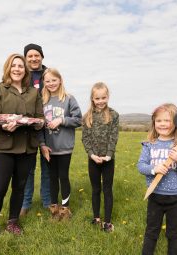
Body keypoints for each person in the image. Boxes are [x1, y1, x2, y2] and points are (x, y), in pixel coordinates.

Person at [0, 53, 44, 239]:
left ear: (25, 70)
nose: (17, 69)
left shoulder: (33, 92)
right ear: (8, 68)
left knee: (20, 188)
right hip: (2, 149)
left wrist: (38, 122)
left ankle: (13, 222)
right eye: (14, 65)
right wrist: (3, 125)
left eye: (21, 66)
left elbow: (40, 118)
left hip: (27, 149)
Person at [137, 103, 177, 255]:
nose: (162, 124)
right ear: (154, 123)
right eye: (159, 120)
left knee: (174, 234)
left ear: (176, 123)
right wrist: (154, 169)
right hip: (155, 195)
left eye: (167, 120)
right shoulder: (149, 145)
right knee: (151, 231)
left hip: (176, 198)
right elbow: (141, 166)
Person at [39, 68, 82, 220]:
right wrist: (42, 144)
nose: (51, 83)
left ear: (60, 80)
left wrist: (61, 120)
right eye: (47, 81)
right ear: (44, 82)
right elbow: (39, 125)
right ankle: (54, 209)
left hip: (64, 147)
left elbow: (78, 119)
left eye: (54, 80)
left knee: (63, 176)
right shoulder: (42, 101)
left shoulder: (69, 99)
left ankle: (65, 210)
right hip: (49, 148)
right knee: (51, 177)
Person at [81, 82, 119, 232]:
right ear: (92, 99)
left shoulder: (114, 115)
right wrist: (92, 155)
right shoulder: (87, 117)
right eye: (97, 98)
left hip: (108, 161)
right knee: (95, 189)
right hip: (93, 160)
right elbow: (85, 138)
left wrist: (109, 155)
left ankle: (107, 222)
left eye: (104, 97)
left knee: (107, 189)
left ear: (107, 97)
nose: (101, 101)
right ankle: (96, 218)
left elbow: (113, 137)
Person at [21, 43, 51, 216]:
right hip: (29, 129)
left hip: (48, 128)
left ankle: (47, 201)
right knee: (28, 168)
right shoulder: (22, 76)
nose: (33, 58)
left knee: (48, 166)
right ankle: (25, 204)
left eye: (36, 55)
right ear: (26, 58)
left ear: (42, 56)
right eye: (30, 56)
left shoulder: (50, 74)